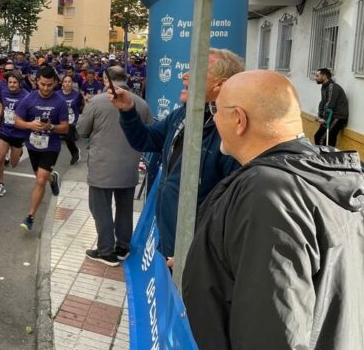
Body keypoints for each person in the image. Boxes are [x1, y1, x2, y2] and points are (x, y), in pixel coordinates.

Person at [183, 70, 364, 350]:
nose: (213, 120)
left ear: (239, 119)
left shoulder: (269, 191)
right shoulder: (329, 174)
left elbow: (273, 325)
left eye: (216, 110)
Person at [113, 48, 243, 263]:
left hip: (195, 253)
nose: (184, 75)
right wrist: (128, 110)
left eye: (197, 71)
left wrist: (198, 255)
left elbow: (232, 210)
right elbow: (145, 140)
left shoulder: (230, 133)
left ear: (221, 85)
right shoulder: (183, 113)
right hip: (169, 241)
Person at [75, 67, 151, 266]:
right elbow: (149, 134)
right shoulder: (141, 104)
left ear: (105, 79)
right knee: (125, 209)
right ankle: (123, 247)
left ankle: (106, 251)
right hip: (129, 166)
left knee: (101, 209)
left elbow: (82, 130)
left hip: (102, 166)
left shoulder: (97, 101)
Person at [12, 65, 68, 233]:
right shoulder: (29, 99)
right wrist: (30, 124)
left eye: (49, 85)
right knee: (42, 177)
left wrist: (51, 127)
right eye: (43, 84)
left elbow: (65, 128)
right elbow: (17, 120)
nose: (46, 88)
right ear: (37, 82)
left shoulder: (60, 102)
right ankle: (53, 178)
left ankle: (30, 217)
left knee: (40, 180)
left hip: (51, 146)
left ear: (55, 84)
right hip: (33, 146)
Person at [0, 67, 28, 198]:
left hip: (18, 133)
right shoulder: (4, 92)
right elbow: (1, 106)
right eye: (10, 82)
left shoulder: (26, 96)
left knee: (14, 164)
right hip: (5, 130)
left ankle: (19, 151)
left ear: (19, 83)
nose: (11, 85)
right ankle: (1, 184)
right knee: (0, 158)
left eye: (14, 82)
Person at [313, 67, 349, 147]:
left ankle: (323, 158)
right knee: (325, 138)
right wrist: (319, 116)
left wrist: (324, 119)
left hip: (337, 116)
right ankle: (328, 157)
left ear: (324, 76)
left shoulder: (332, 87)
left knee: (321, 138)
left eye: (317, 76)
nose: (315, 78)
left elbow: (330, 104)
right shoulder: (325, 87)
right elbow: (323, 103)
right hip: (330, 116)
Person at [59, 73, 84, 165]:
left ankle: (75, 153)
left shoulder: (77, 95)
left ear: (72, 83)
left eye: (69, 82)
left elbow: (82, 105)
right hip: (60, 119)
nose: (67, 83)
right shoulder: (57, 94)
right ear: (62, 83)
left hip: (72, 120)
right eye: (65, 82)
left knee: (68, 136)